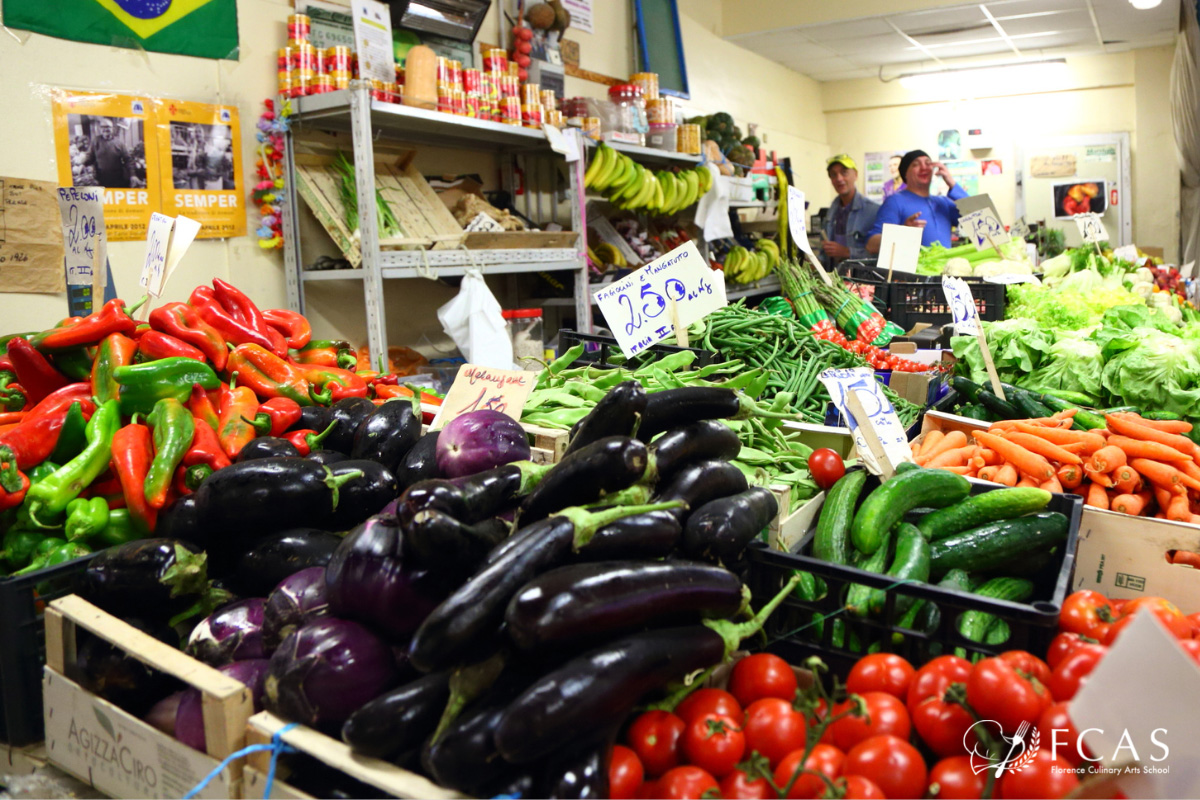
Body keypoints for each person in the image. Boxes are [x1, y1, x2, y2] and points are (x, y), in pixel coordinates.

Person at [867, 149, 968, 252]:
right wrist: (902, 233)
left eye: (928, 163)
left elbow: (980, 219)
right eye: (916, 165)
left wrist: (952, 183)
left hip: (945, 267)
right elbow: (871, 244)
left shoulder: (943, 202)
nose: (924, 167)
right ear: (905, 173)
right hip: (915, 268)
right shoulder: (895, 202)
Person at [821, 154, 878, 267]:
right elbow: (824, 253)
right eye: (833, 175)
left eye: (844, 172)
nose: (839, 178)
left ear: (855, 175)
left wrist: (847, 252)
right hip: (834, 280)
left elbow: (880, 256)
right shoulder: (830, 214)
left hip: (862, 282)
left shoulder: (873, 211)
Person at [82, 118, 133, 189]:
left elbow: (128, 160)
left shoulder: (119, 143)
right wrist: (83, 164)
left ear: (113, 128)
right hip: (101, 179)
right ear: (100, 129)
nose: (105, 129)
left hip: (118, 179)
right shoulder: (95, 141)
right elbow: (90, 157)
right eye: (103, 127)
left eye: (108, 127)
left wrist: (133, 175)